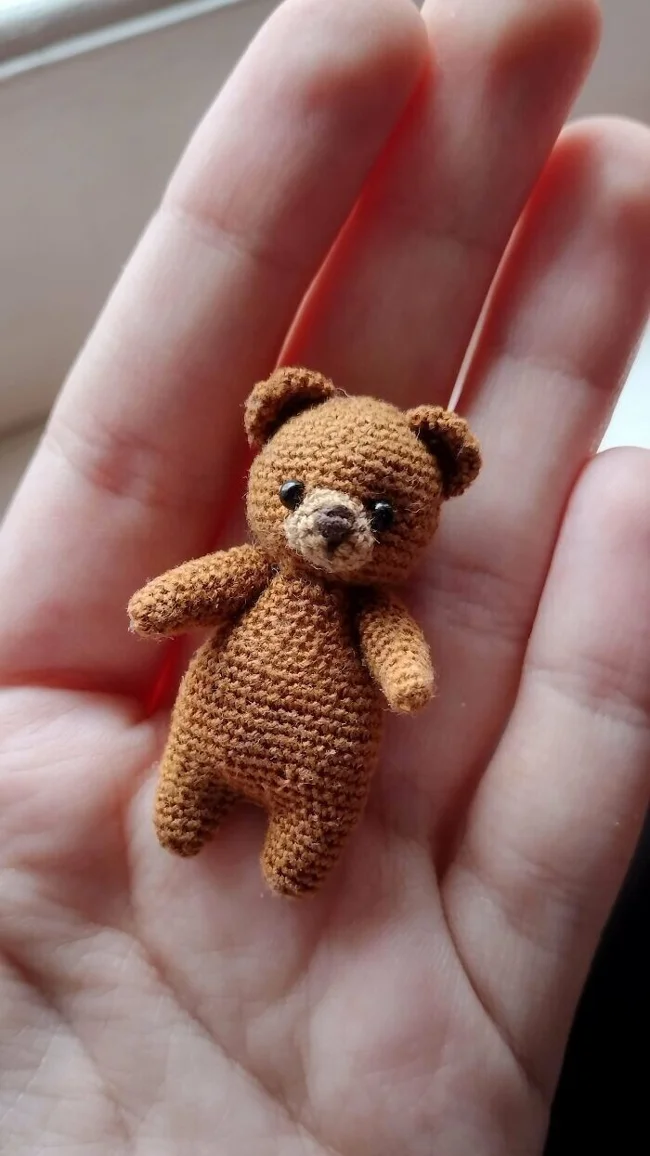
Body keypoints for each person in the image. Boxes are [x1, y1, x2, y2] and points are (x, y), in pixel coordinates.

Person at [0, 0, 648, 1150]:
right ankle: (196, 794)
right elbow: (193, 590)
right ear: (273, 451)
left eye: (379, 510)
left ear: (427, 498)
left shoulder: (374, 601)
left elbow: (394, 648)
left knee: (313, 825)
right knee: (185, 787)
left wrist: (405, 676)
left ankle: (293, 834)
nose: (337, 519)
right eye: (304, 493)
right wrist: (160, 599)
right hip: (210, 727)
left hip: (321, 764)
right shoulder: (261, 565)